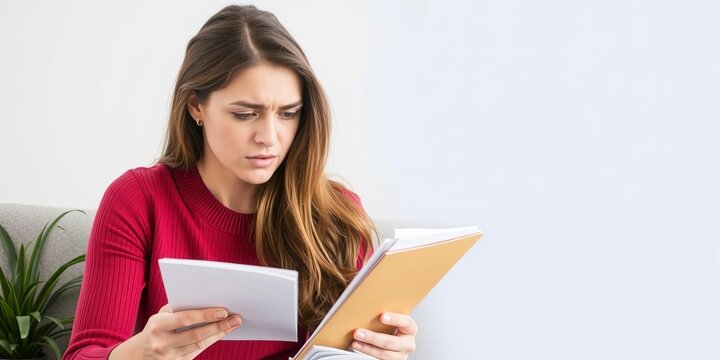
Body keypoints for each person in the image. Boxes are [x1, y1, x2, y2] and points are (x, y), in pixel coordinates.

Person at [63, 4, 417, 360]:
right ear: (195, 106)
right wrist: (135, 354)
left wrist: (383, 351)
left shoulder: (335, 212)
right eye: (245, 114)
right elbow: (82, 353)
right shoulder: (139, 200)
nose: (269, 137)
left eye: (288, 114)